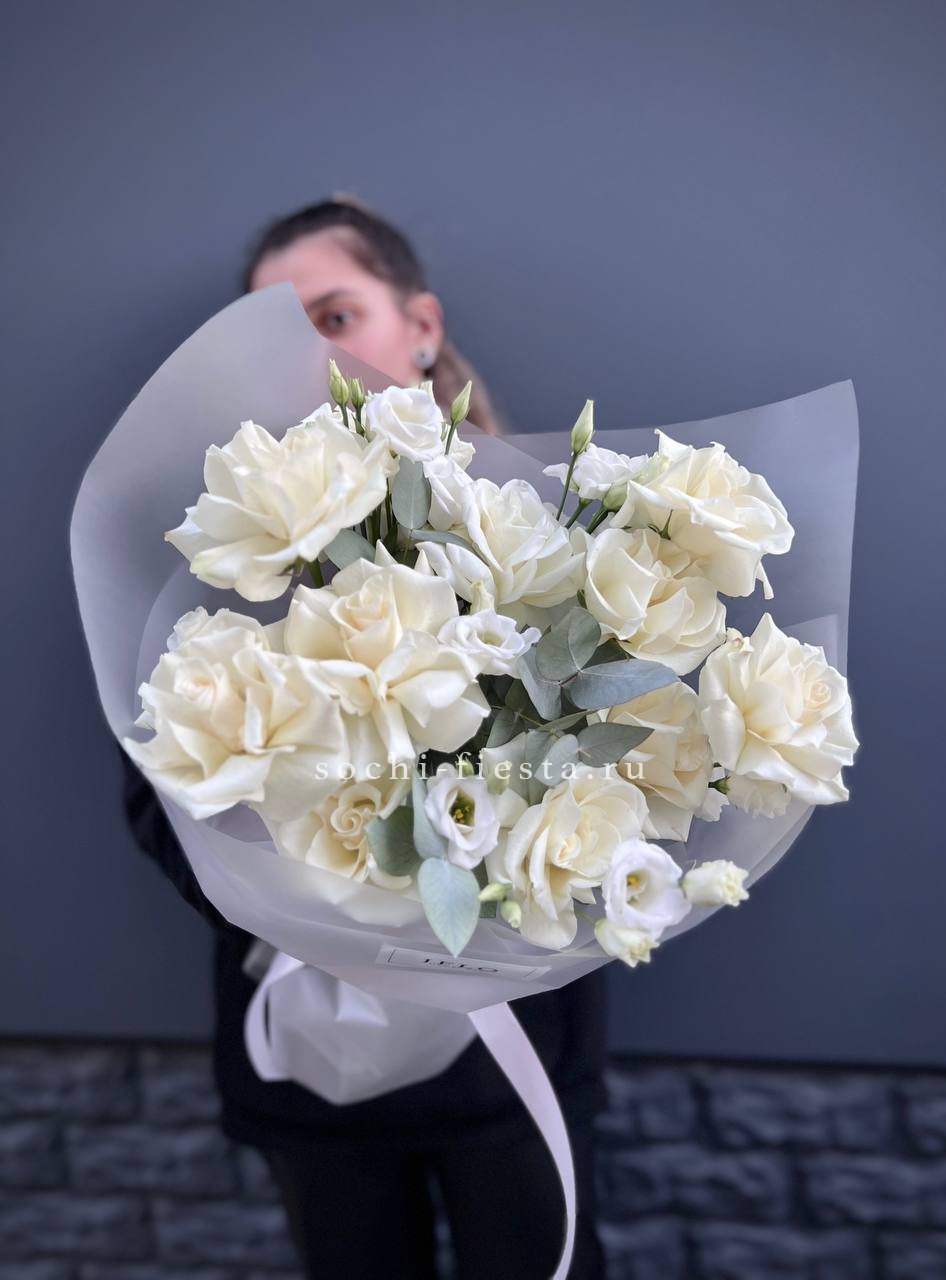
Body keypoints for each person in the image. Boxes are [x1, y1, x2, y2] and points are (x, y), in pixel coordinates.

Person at [120, 194, 608, 1279]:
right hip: (315, 1058)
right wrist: (307, 891)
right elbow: (154, 791)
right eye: (278, 330)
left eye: (334, 316)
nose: (309, 354)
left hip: (510, 1057)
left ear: (420, 326)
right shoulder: (218, 545)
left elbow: (607, 761)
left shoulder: (537, 528)